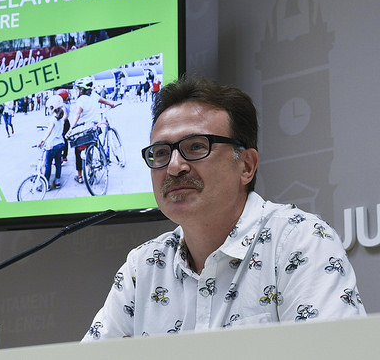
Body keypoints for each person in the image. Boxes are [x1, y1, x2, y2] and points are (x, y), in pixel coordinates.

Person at [83, 76, 365, 340]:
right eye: (160, 153)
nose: (174, 167)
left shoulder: (300, 241)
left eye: (195, 147)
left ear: (246, 166)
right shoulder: (142, 267)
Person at [66, 77, 115, 183]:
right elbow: (105, 101)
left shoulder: (81, 100)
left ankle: (80, 176)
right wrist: (112, 104)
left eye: (78, 88)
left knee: (78, 150)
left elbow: (77, 114)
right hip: (94, 128)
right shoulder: (94, 95)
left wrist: (71, 128)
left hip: (82, 129)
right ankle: (90, 168)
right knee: (91, 148)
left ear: (82, 89)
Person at [39, 95, 66, 190]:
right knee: (58, 163)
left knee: (48, 164)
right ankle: (57, 182)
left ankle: (46, 184)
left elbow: (49, 131)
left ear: (52, 108)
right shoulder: (62, 119)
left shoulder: (53, 119)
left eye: (48, 108)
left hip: (52, 145)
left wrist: (43, 140)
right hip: (61, 143)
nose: (48, 111)